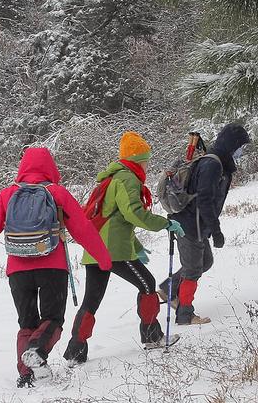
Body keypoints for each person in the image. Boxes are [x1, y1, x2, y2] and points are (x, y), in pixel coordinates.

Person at [0, 147, 112, 388]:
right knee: (53, 319)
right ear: (51, 168)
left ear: (23, 168)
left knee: (27, 323)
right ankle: (36, 351)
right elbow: (83, 228)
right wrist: (103, 258)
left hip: (17, 270)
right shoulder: (57, 193)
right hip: (52, 268)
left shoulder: (8, 195)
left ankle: (26, 375)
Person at [63, 132, 186, 363]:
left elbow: (115, 218)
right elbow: (133, 213)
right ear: (138, 159)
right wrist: (166, 224)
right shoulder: (128, 178)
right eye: (146, 159)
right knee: (148, 285)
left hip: (96, 247)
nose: (148, 164)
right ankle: (152, 337)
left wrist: (136, 245)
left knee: (92, 300)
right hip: (114, 250)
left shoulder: (113, 177)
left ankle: (75, 351)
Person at [158, 123, 251, 325]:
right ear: (231, 145)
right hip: (189, 224)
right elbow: (205, 200)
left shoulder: (218, 163)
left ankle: (169, 289)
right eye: (241, 147)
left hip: (197, 223)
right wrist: (216, 231)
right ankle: (185, 314)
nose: (242, 151)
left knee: (205, 262)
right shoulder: (212, 165)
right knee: (192, 270)